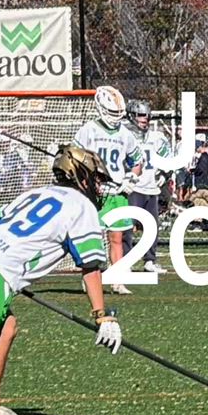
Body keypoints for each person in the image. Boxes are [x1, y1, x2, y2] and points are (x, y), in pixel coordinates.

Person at [0, 145, 122, 415]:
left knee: (7, 326)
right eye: (97, 180)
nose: (99, 188)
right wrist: (102, 315)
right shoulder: (82, 207)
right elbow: (90, 266)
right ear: (81, 176)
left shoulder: (38, 192)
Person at [74, 86, 142, 295]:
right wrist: (86, 180)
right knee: (92, 238)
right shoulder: (88, 130)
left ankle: (117, 280)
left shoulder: (125, 134)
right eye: (112, 112)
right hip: (94, 193)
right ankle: (89, 278)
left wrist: (131, 178)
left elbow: (137, 161)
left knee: (117, 238)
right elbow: (75, 159)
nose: (115, 117)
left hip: (116, 192)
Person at [123, 100, 169, 274]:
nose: (145, 119)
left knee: (152, 227)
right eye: (141, 115)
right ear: (131, 116)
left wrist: (165, 174)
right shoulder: (124, 136)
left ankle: (150, 260)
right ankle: (125, 261)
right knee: (127, 227)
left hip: (151, 187)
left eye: (147, 116)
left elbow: (168, 158)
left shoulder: (157, 137)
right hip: (133, 188)